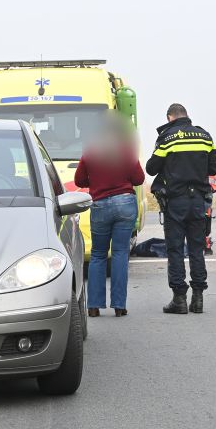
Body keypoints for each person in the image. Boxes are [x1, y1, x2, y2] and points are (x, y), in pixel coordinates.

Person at [146, 103, 216, 314]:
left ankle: (179, 299)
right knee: (197, 249)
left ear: (170, 117)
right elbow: (214, 168)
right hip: (198, 201)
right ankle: (198, 298)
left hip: (175, 202)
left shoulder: (167, 137)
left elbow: (151, 169)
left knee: (175, 249)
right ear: (186, 116)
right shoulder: (205, 136)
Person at [74, 122, 144, 318]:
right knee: (120, 253)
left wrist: (96, 181)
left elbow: (79, 180)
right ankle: (119, 306)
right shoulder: (126, 151)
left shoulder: (90, 152)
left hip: (101, 205)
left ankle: (94, 306)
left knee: (98, 254)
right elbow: (138, 178)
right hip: (125, 204)